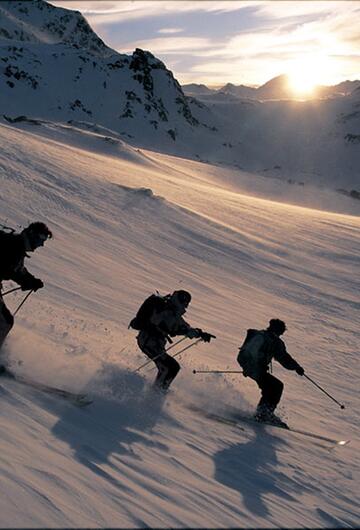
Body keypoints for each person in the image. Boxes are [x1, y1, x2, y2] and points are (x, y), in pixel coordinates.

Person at [133, 290, 215, 392]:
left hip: (154, 343)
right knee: (170, 367)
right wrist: (185, 331)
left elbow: (182, 327)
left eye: (187, 303)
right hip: (148, 341)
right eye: (184, 302)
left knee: (170, 367)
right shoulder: (164, 308)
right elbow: (164, 323)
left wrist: (200, 334)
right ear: (179, 300)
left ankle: (158, 390)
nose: (185, 306)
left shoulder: (173, 312)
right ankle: (156, 392)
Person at [237, 318, 304, 427]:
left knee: (273, 387)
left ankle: (264, 413)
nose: (280, 334)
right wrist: (248, 367)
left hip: (258, 370)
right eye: (281, 332)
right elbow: (247, 353)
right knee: (275, 386)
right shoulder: (261, 337)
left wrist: (296, 367)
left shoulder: (275, 342)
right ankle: (263, 414)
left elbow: (283, 357)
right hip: (254, 368)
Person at [0, 222, 52, 352]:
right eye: (41, 239)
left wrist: (31, 281)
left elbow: (18, 270)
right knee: (5, 322)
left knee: (6, 320)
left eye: (43, 240)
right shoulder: (12, 245)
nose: (41, 244)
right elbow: (11, 270)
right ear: (31, 234)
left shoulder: (16, 245)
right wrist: (28, 282)